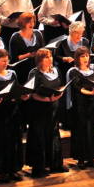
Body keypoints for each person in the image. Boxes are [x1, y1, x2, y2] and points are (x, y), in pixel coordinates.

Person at [0, 49, 26, 183]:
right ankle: (2, 171)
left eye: (7, 60)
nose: (6, 63)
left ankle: (14, 169)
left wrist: (21, 96)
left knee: (14, 140)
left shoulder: (12, 74)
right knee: (1, 141)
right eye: (3, 61)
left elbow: (16, 89)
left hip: (12, 111)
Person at [26, 49, 68, 178]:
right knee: (39, 137)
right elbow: (31, 93)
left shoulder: (55, 70)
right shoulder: (34, 73)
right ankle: (39, 167)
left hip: (53, 108)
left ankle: (55, 164)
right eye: (46, 57)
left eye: (50, 56)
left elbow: (60, 86)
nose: (49, 59)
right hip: (39, 109)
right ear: (39, 60)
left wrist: (57, 96)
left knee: (53, 135)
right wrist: (47, 99)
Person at [66, 46, 94, 169]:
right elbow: (77, 88)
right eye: (82, 56)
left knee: (92, 130)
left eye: (87, 56)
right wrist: (90, 93)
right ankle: (81, 159)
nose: (86, 58)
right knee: (81, 131)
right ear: (77, 58)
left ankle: (91, 158)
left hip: (93, 104)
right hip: (80, 105)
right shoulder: (73, 71)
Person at [8, 12, 45, 85]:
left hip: (37, 68)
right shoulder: (15, 37)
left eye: (33, 21)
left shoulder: (38, 33)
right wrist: (28, 55)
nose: (31, 24)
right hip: (22, 70)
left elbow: (42, 50)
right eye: (28, 22)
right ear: (22, 23)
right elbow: (13, 59)